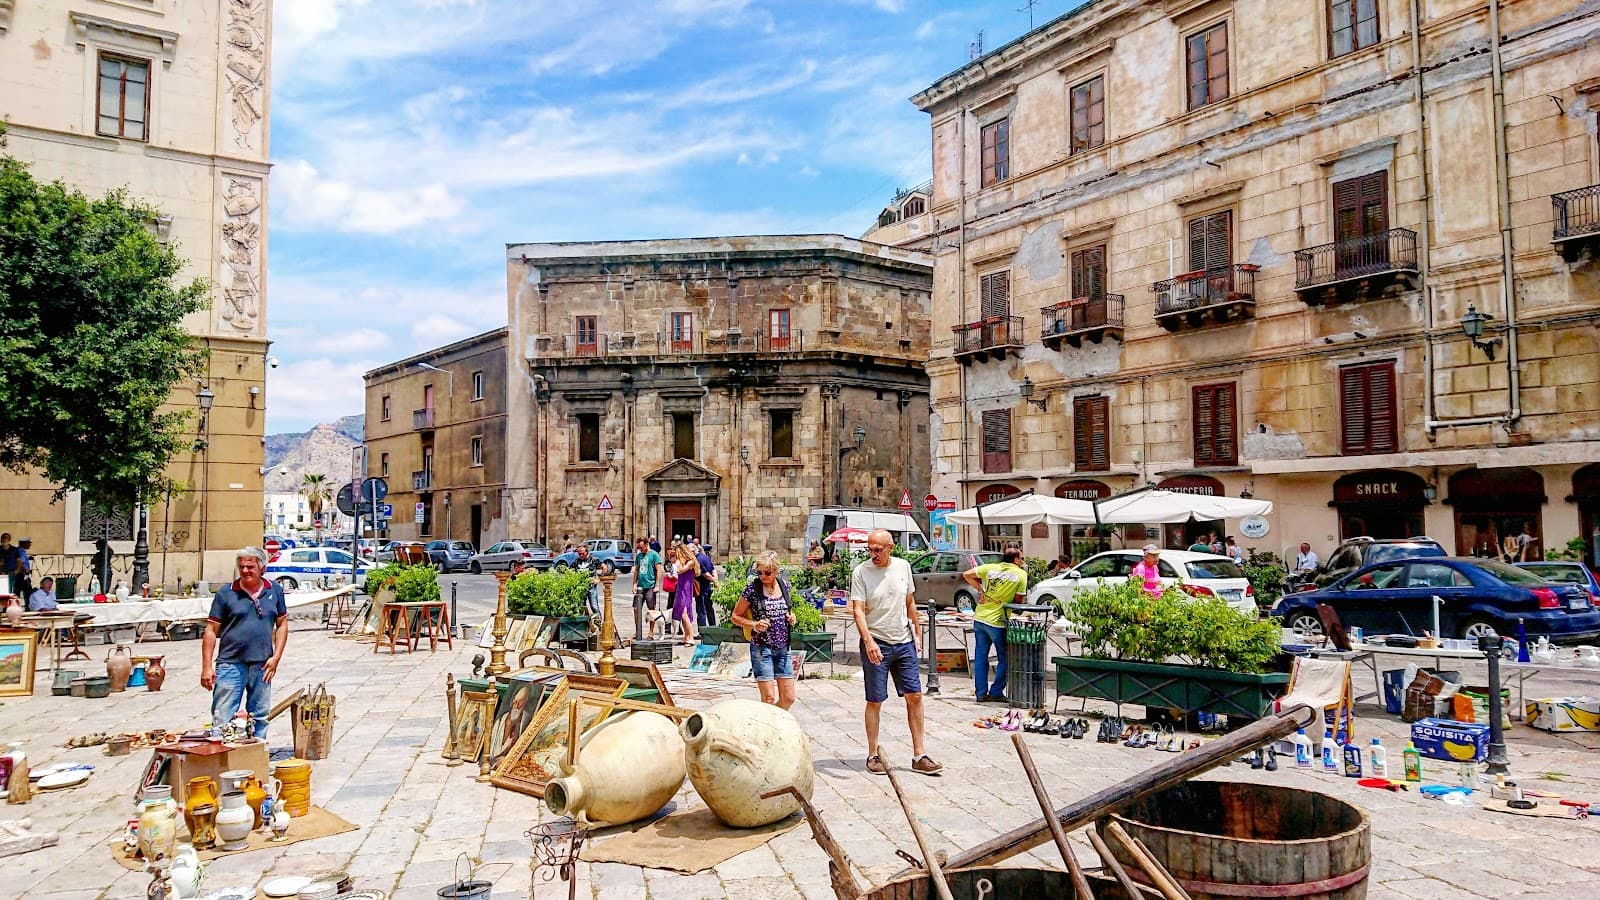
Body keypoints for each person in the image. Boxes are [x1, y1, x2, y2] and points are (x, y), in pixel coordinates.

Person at [851, 529, 941, 776]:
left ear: (891, 547)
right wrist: (868, 641)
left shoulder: (903, 567)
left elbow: (909, 602)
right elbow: (858, 610)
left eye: (878, 549)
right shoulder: (861, 572)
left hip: (903, 642)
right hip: (876, 640)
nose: (873, 554)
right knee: (875, 699)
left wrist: (918, 632)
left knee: (915, 696)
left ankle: (919, 754)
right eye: (870, 549)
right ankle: (873, 754)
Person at [201, 548, 288, 740]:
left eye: (250, 566)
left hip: (263, 664)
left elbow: (282, 624)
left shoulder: (274, 590)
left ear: (262, 568)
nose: (246, 571)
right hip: (230, 663)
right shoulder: (226, 593)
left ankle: (256, 754)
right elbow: (211, 630)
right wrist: (206, 667)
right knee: (222, 716)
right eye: (242, 567)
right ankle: (222, 757)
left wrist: (276, 657)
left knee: (260, 716)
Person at [731, 551, 799, 709]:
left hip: (783, 647)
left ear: (776, 571)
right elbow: (735, 616)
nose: (763, 576)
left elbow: (787, 609)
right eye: (759, 572)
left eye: (767, 572)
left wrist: (791, 617)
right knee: (768, 699)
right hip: (762, 649)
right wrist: (754, 624)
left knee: (789, 698)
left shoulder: (784, 586)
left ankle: (773, 722)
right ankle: (771, 728)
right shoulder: (752, 590)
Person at [963, 547, 1028, 703]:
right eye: (1022, 559)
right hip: (998, 621)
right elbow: (1019, 600)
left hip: (980, 618)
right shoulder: (1020, 574)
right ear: (1016, 560)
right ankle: (996, 691)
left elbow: (966, 574)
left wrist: (981, 590)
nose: (1023, 562)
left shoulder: (990, 568)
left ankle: (980, 693)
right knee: (1005, 658)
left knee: (980, 657)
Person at [669, 544, 700, 646]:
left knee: (685, 614)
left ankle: (691, 637)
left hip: (686, 590)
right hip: (680, 589)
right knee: (681, 613)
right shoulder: (682, 562)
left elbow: (681, 570)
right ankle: (686, 637)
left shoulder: (690, 562)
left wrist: (676, 564)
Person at [633, 538, 662, 640]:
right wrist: (634, 584)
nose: (640, 549)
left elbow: (658, 570)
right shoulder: (639, 556)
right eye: (639, 548)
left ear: (646, 545)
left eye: (641, 547)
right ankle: (638, 631)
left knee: (651, 610)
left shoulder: (654, 555)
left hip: (650, 586)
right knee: (636, 609)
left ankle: (651, 633)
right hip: (640, 586)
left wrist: (657, 585)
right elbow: (636, 570)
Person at [694, 542, 718, 628]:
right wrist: (715, 580)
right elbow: (713, 569)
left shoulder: (697, 560)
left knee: (701, 610)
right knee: (709, 608)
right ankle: (713, 626)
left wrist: (714, 580)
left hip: (701, 587)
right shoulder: (706, 557)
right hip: (708, 587)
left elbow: (706, 574)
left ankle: (702, 630)